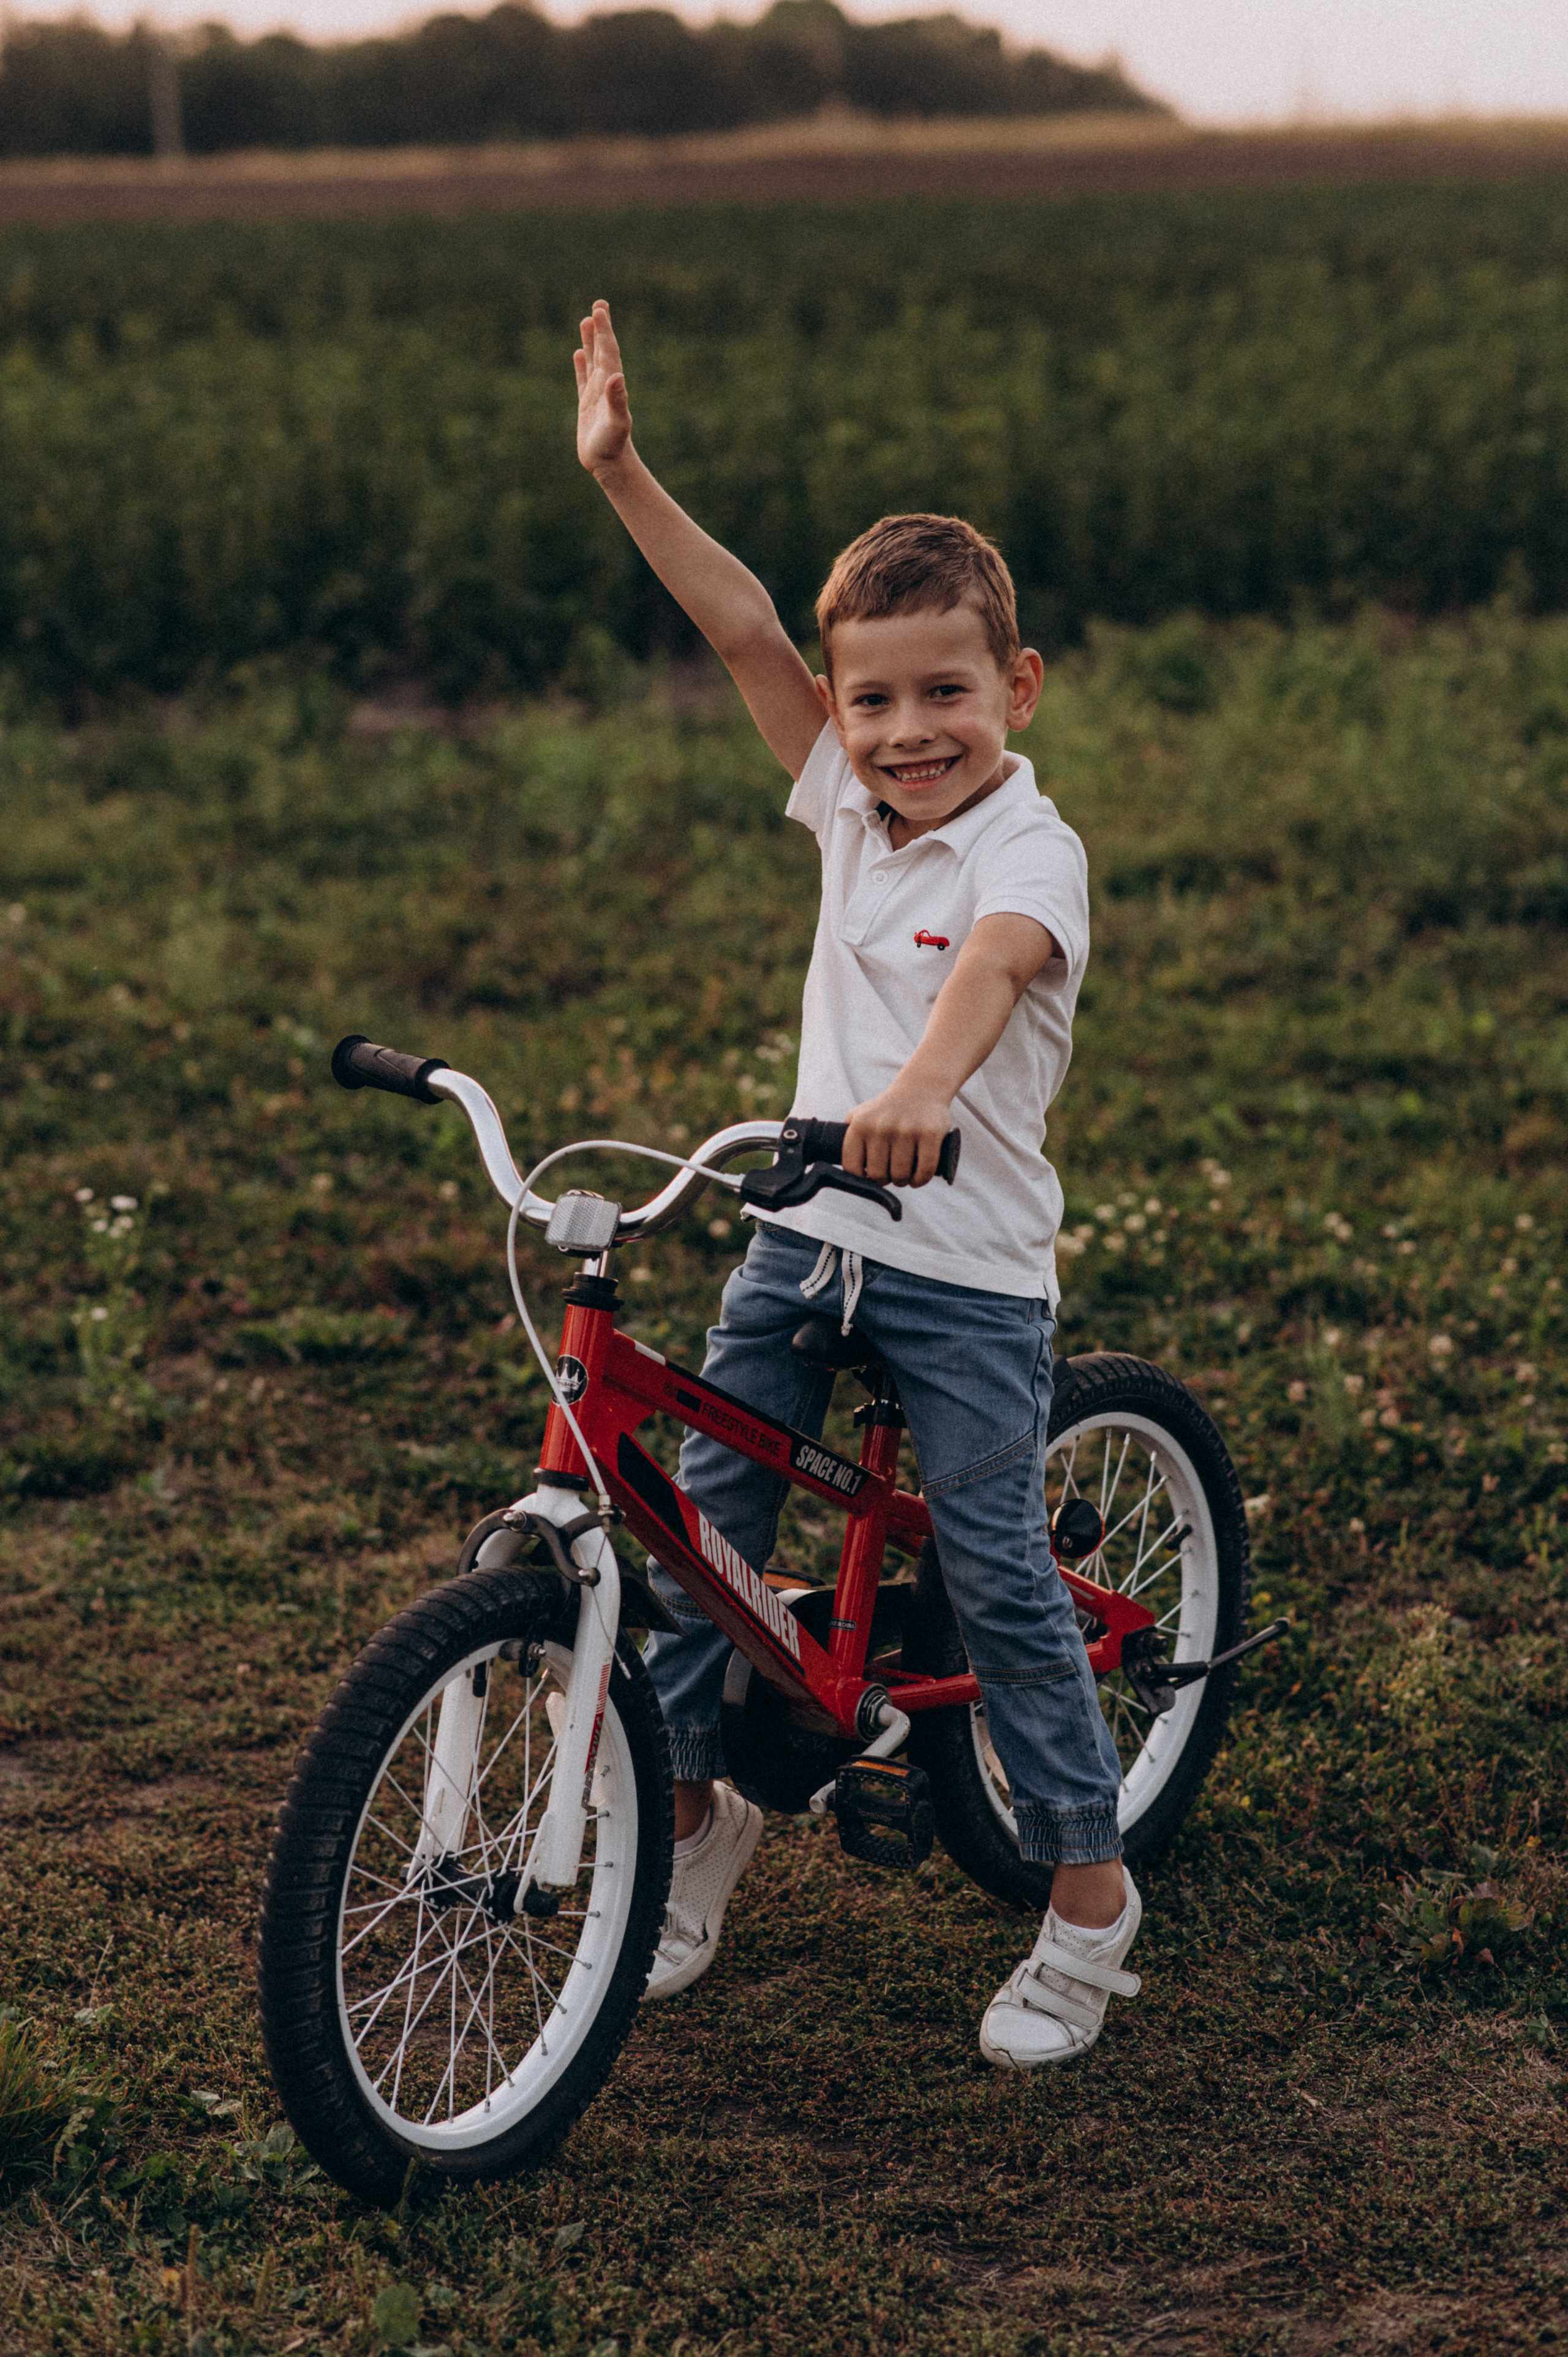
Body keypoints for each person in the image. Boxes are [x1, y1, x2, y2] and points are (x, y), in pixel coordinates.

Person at [573, 300, 1140, 2068]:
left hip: (964, 1266)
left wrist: (915, 1094)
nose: (909, 733)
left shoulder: (1028, 843)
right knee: (697, 1532)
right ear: (838, 711)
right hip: (807, 1238)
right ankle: (694, 1819)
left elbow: (994, 969)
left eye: (946, 694)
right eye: (874, 700)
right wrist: (621, 470)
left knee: (996, 1572)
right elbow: (742, 621)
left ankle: (1089, 1899)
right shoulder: (845, 805)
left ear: (1016, 690)